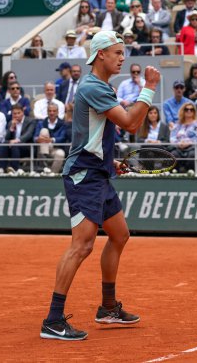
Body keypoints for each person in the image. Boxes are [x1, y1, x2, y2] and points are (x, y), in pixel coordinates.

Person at [40, 30, 160, 341]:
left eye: (123, 52)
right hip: (84, 175)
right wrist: (149, 89)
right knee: (82, 246)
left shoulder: (101, 87)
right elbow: (132, 122)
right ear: (100, 55)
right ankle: (53, 320)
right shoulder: (93, 86)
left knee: (119, 235)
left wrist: (110, 162)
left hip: (99, 172)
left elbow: (99, 134)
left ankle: (107, 307)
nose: (123, 57)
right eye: (117, 52)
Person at [0, 104, 36, 174]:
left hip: (27, 147)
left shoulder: (30, 121)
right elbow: (6, 138)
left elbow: (29, 134)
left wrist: (17, 140)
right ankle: (1, 168)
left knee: (15, 144)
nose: (16, 115)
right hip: (13, 147)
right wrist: (12, 127)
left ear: (23, 112)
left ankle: (15, 168)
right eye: (14, 113)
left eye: (19, 113)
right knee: (5, 144)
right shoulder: (10, 123)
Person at [34, 102, 71, 173]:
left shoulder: (63, 124)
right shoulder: (41, 123)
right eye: (50, 111)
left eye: (54, 111)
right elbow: (35, 137)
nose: (52, 113)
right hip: (42, 148)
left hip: (55, 147)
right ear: (47, 112)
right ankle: (43, 165)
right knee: (44, 131)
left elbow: (63, 137)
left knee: (60, 154)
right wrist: (37, 139)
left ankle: (52, 173)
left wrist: (51, 140)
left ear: (57, 112)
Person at [170, 102, 197, 172]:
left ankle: (191, 174)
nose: (189, 111)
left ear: (194, 111)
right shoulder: (177, 124)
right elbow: (172, 137)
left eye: (191, 109)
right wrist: (178, 143)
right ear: (183, 111)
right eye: (186, 109)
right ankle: (177, 174)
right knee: (174, 155)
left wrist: (189, 142)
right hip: (178, 147)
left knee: (192, 155)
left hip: (193, 147)